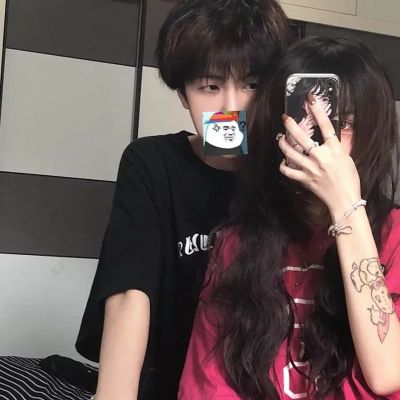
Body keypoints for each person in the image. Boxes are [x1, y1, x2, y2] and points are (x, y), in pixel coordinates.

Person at [75, 1, 290, 400]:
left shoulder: (290, 174)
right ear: (182, 94)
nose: (231, 107)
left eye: (251, 84)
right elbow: (129, 290)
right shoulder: (151, 163)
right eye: (210, 86)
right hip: (164, 379)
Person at [178, 36, 400, 399]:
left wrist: (346, 205)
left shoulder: (395, 236)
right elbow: (209, 387)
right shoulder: (236, 243)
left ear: (372, 132)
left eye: (341, 123)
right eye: (302, 119)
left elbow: (388, 373)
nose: (317, 140)